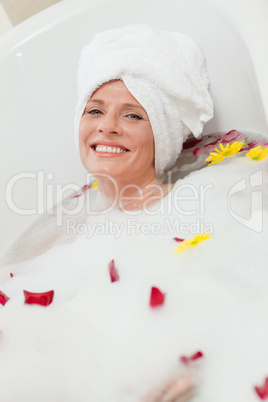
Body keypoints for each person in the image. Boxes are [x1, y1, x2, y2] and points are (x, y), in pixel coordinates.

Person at [1, 24, 268, 402]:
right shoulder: (48, 237)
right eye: (95, 110)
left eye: (133, 116)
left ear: (163, 134)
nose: (107, 126)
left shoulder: (216, 205)